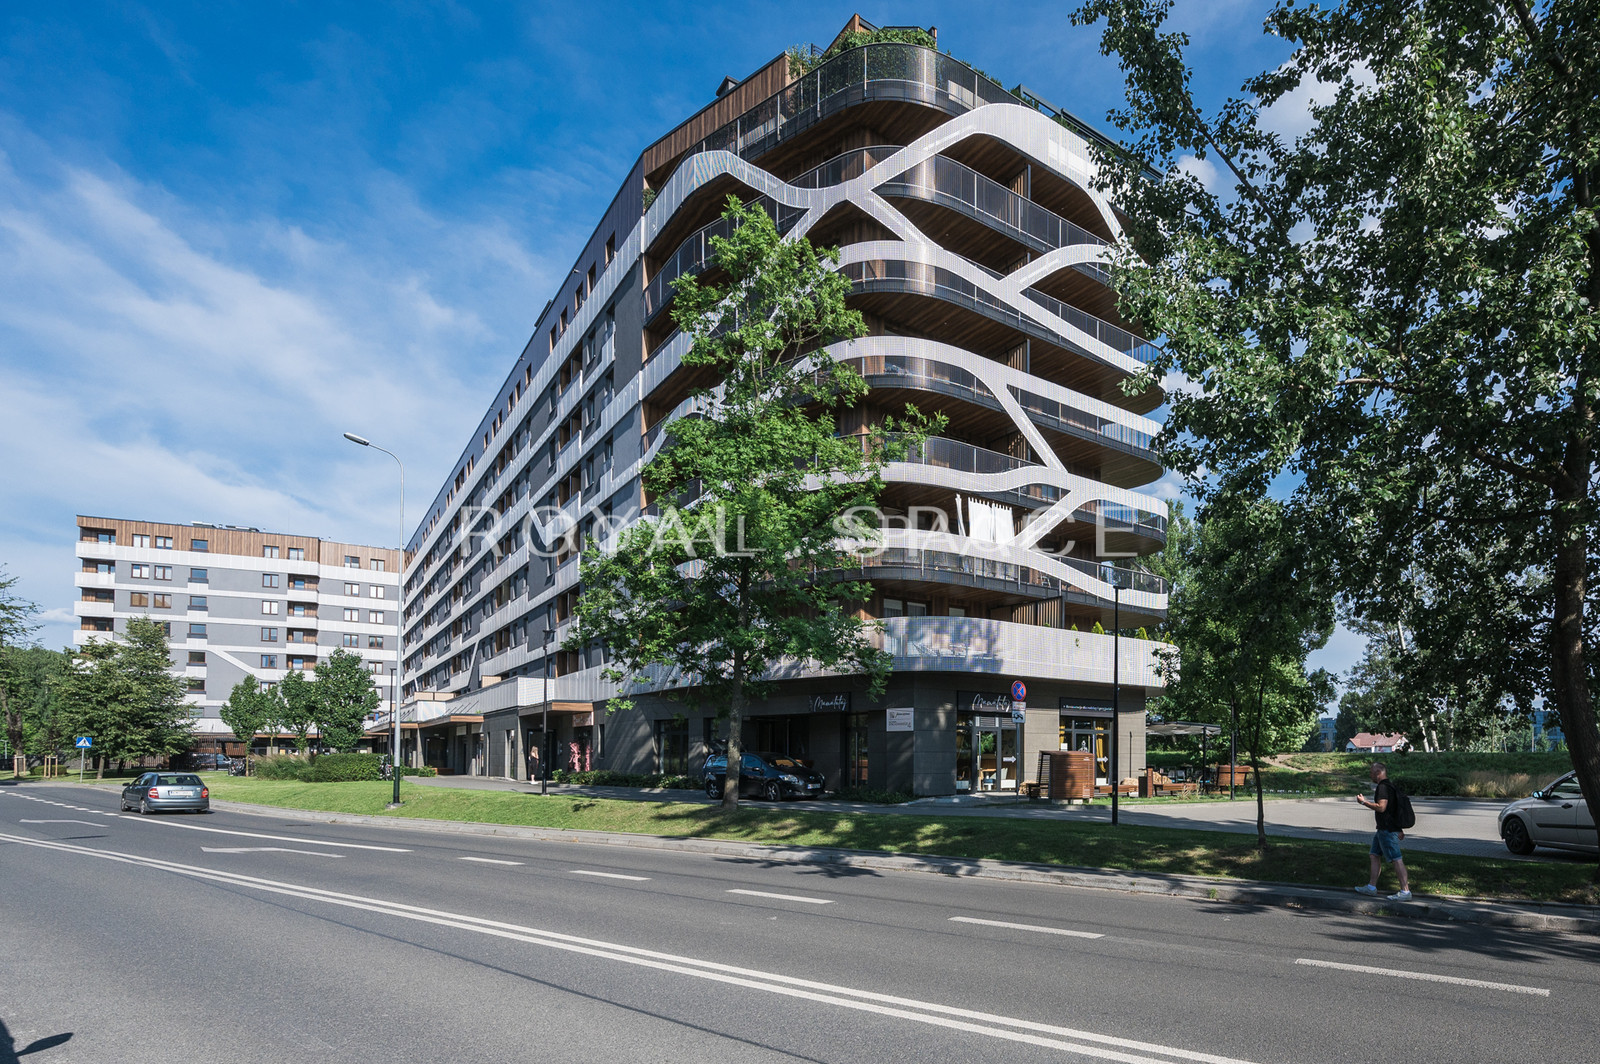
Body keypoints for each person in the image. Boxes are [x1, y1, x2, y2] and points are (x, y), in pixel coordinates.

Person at [1354, 761, 1411, 901]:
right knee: (1374, 855)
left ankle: (1405, 892)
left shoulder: (1383, 788)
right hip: (1384, 829)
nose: (1370, 775)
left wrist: (1363, 802)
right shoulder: (1390, 786)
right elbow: (1394, 810)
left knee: (1396, 859)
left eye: (1371, 772)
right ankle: (1371, 887)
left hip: (1387, 830)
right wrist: (1399, 828)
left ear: (1378, 773)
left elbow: (1382, 807)